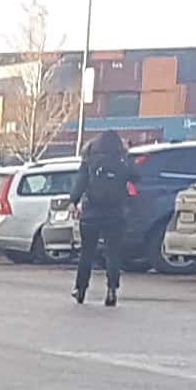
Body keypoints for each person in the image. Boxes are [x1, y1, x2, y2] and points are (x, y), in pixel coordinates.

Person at [72, 129, 137, 306]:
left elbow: (80, 181)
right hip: (115, 213)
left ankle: (81, 289)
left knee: (87, 253)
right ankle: (111, 290)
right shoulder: (122, 161)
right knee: (113, 253)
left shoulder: (90, 160)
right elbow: (136, 177)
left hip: (91, 212)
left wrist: (73, 201)